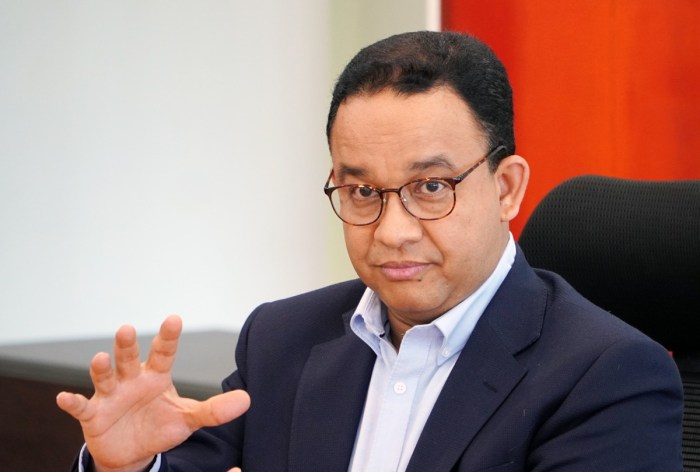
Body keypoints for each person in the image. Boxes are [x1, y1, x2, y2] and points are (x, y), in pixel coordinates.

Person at [57, 31, 683, 471]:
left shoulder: (609, 375)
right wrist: (130, 467)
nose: (391, 231)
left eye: (430, 187)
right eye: (361, 192)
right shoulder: (281, 339)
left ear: (506, 188)